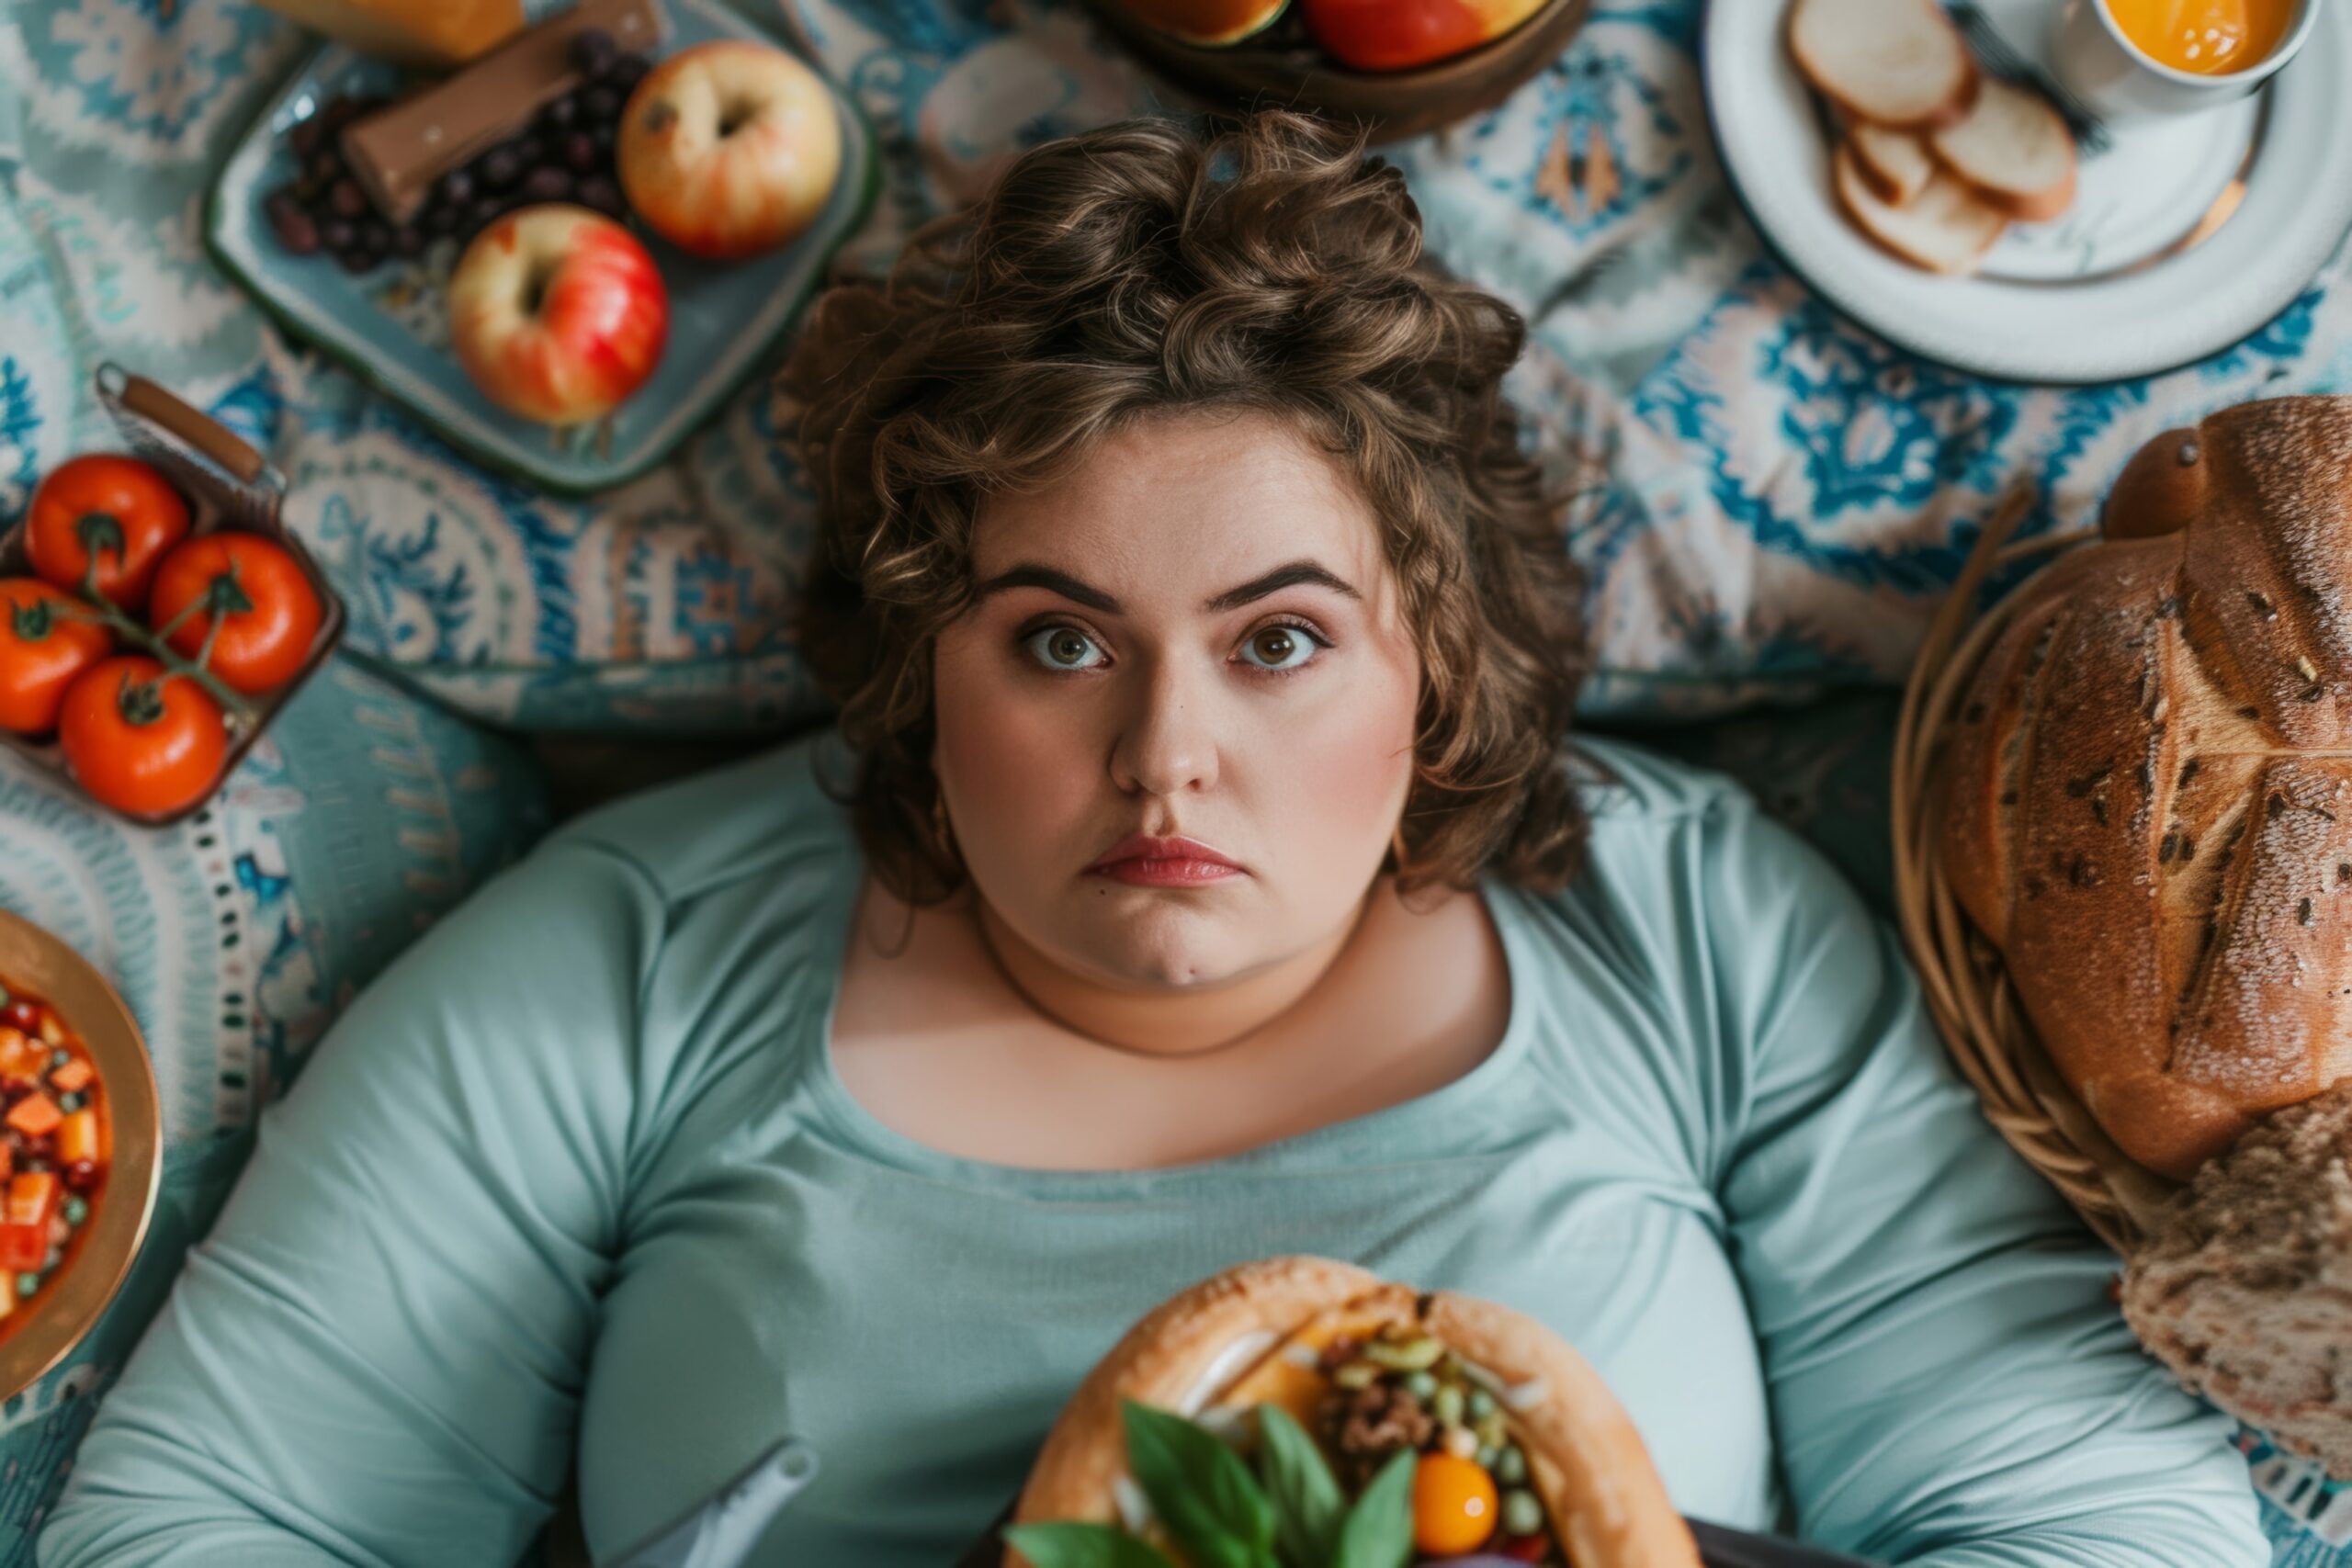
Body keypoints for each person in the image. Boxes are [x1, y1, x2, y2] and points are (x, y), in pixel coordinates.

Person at [38, 112, 2266, 1568]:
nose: (1166, 758)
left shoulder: (1676, 924)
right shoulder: (635, 961)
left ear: (1437, 658)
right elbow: (200, 1518)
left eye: (1279, 638)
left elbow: (2091, 1512)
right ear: (924, 662)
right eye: (1060, 640)